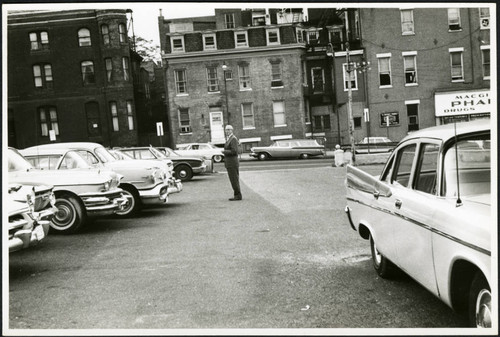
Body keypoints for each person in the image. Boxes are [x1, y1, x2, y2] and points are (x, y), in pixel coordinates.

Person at [222, 125, 242, 201]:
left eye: (228, 130)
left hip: (232, 163)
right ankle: (237, 194)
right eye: (226, 130)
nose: (226, 131)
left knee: (234, 179)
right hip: (230, 163)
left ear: (231, 130)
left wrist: (224, 151)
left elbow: (234, 151)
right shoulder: (229, 138)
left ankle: (238, 195)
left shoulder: (233, 139)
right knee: (233, 179)